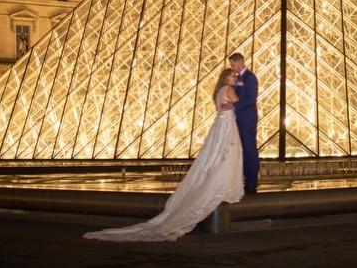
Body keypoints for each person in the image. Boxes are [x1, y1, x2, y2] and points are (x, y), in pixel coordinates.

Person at [84, 68, 243, 242]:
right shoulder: (229, 89)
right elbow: (240, 103)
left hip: (219, 126)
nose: (235, 78)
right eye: (232, 76)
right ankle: (222, 185)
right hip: (227, 127)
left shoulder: (218, 91)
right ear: (225, 77)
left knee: (216, 155)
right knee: (226, 155)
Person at [229, 52, 260, 192]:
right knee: (244, 150)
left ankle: (252, 181)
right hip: (240, 118)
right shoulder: (239, 78)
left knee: (249, 149)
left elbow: (251, 99)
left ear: (240, 62)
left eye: (232, 64)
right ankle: (248, 179)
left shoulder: (250, 77)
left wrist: (234, 105)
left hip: (247, 118)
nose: (231, 67)